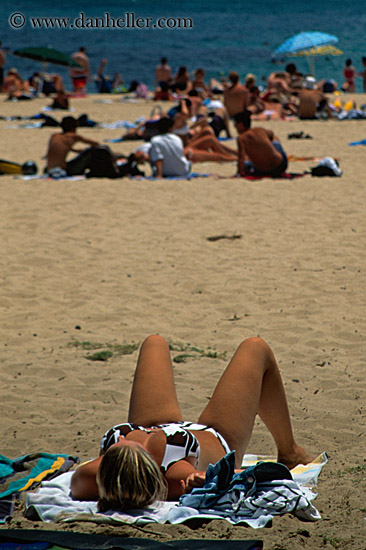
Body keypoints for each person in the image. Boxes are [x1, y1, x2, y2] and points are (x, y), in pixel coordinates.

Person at [70, 334, 313, 509]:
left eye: (116, 443)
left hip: (156, 421)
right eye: (123, 443)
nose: (121, 437)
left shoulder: (90, 478)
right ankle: (290, 451)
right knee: (256, 348)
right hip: (216, 435)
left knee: (154, 342)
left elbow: (81, 484)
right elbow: (247, 476)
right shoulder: (176, 475)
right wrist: (208, 479)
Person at [234, 110, 288, 177]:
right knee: (274, 138)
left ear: (241, 125)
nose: (235, 127)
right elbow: (271, 134)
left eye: (235, 124)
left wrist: (239, 173)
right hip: (280, 166)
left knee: (248, 162)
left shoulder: (241, 138)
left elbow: (241, 158)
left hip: (263, 171)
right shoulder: (259, 130)